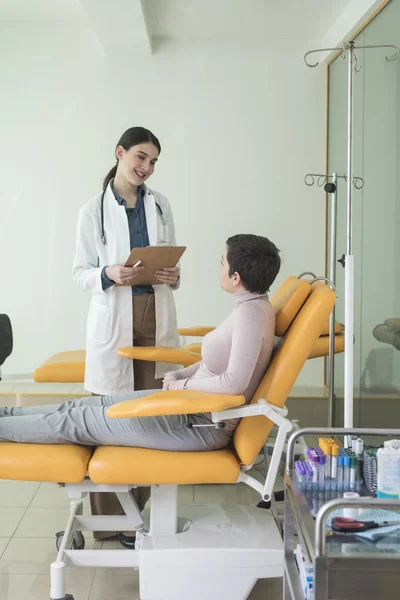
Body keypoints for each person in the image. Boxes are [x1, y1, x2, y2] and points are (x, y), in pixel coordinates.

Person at [0, 233, 281, 547]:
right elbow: (216, 365)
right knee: (81, 408)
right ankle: (5, 415)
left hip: (198, 423)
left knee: (76, 422)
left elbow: (234, 384)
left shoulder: (251, 315)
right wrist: (180, 375)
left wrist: (183, 385)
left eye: (222, 263)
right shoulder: (251, 307)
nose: (218, 268)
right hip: (187, 407)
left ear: (236, 277)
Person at [72, 126, 181, 543]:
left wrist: (172, 275)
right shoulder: (92, 210)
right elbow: (79, 273)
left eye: (153, 161)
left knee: (150, 415)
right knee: (111, 416)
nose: (146, 168)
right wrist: (106, 273)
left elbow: (167, 258)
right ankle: (109, 521)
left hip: (154, 311)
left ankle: (138, 515)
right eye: (140, 157)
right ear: (119, 153)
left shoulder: (161, 205)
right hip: (114, 316)